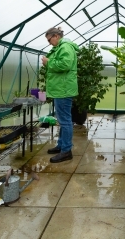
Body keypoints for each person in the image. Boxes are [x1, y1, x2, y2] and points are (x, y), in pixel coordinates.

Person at [41, 27, 79, 163]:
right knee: (63, 120)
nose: (49, 43)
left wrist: (48, 62)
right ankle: (62, 146)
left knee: (65, 121)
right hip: (61, 89)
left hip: (63, 90)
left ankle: (66, 151)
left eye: (49, 40)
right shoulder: (61, 47)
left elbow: (65, 64)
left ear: (56, 36)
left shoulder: (65, 47)